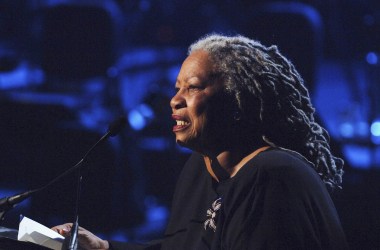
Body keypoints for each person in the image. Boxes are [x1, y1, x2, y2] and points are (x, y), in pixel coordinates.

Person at [52, 34, 348, 249]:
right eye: (177, 88)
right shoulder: (201, 167)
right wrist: (104, 247)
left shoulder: (272, 176)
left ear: (236, 103)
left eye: (192, 88)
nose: (175, 100)